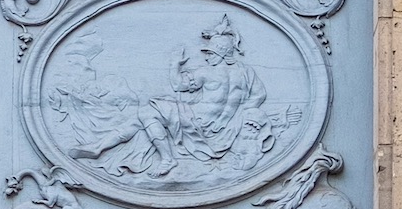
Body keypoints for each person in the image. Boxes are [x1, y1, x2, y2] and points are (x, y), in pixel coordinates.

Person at [67, 14, 276, 180]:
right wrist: (235, 120)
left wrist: (174, 63)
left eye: (210, 52)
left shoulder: (207, 72)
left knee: (148, 111)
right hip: (222, 132)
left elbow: (178, 85)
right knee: (142, 119)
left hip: (197, 123)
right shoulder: (246, 72)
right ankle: (98, 147)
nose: (206, 55)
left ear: (221, 52)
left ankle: (167, 159)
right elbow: (258, 96)